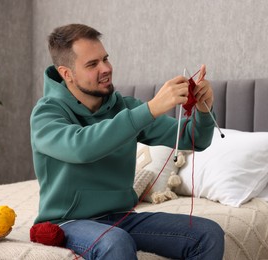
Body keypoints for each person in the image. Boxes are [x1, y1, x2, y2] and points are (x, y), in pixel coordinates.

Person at [30, 23, 224, 260]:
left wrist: (204, 110)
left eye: (105, 59)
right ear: (66, 73)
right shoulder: (46, 114)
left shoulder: (124, 107)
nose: (106, 68)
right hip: (67, 222)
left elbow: (193, 139)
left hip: (122, 217)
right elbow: (81, 148)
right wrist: (150, 109)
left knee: (208, 234)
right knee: (115, 242)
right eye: (92, 64)